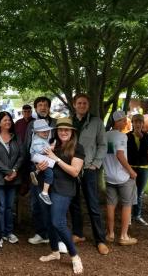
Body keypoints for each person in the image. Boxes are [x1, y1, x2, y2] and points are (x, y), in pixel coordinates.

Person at [37, 117, 84, 275]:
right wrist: (40, 166)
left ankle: (74, 256)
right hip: (47, 187)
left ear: (72, 132)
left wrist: (55, 159)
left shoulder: (78, 147)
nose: (63, 132)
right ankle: (55, 251)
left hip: (64, 188)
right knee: (49, 221)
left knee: (58, 222)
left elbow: (75, 171)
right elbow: (42, 161)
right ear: (56, 131)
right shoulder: (52, 144)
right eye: (61, 129)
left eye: (67, 130)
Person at [69, 93, 109, 255]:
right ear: (74, 105)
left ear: (88, 105)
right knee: (74, 202)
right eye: (79, 103)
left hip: (88, 169)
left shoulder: (96, 122)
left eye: (85, 103)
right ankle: (78, 233)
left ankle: (100, 240)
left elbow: (102, 145)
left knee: (93, 205)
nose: (82, 105)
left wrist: (96, 164)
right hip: (71, 169)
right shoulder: (69, 121)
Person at [0, 111, 24, 247]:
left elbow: (21, 155)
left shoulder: (16, 137)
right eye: (4, 120)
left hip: (14, 178)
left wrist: (14, 171)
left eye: (9, 120)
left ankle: (9, 232)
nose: (8, 122)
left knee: (9, 207)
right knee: (1, 207)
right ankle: (0, 233)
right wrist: (8, 171)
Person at [24, 97, 56, 245]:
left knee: (51, 202)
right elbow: (27, 145)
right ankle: (40, 233)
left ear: (49, 107)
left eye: (45, 105)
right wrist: (33, 166)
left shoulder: (55, 123)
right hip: (35, 168)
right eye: (40, 105)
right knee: (35, 202)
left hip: (51, 167)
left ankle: (52, 233)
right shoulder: (31, 124)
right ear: (36, 108)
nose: (43, 107)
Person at [104, 111, 138, 246]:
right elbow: (119, 155)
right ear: (117, 121)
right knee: (126, 204)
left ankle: (110, 234)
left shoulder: (105, 135)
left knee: (110, 205)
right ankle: (123, 236)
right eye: (124, 120)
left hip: (109, 176)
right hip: (123, 177)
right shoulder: (122, 136)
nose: (126, 123)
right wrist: (131, 172)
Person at [127, 114, 148, 226]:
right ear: (132, 123)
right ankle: (127, 216)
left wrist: (141, 137)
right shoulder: (127, 136)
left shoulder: (147, 136)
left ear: (143, 123)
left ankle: (137, 215)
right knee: (128, 193)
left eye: (140, 122)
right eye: (135, 122)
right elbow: (128, 152)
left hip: (143, 168)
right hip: (130, 167)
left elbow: (146, 149)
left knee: (139, 193)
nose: (137, 124)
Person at [29, 119, 55, 205]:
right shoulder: (37, 140)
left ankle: (36, 172)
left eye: (47, 131)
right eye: (43, 132)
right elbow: (40, 150)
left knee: (48, 165)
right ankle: (44, 192)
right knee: (50, 172)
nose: (46, 133)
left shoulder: (41, 138)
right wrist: (51, 148)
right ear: (36, 132)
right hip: (36, 157)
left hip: (38, 158)